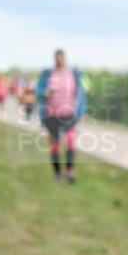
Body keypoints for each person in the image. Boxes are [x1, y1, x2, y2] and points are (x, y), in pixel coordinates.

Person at [36, 50, 87, 183]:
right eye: (56, 59)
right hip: (51, 115)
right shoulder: (47, 74)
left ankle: (69, 171)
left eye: (61, 59)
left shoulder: (73, 74)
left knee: (70, 142)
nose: (59, 61)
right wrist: (45, 92)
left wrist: (82, 112)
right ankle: (58, 174)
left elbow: (81, 94)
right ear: (54, 59)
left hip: (69, 114)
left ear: (65, 58)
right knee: (54, 145)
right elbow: (38, 90)